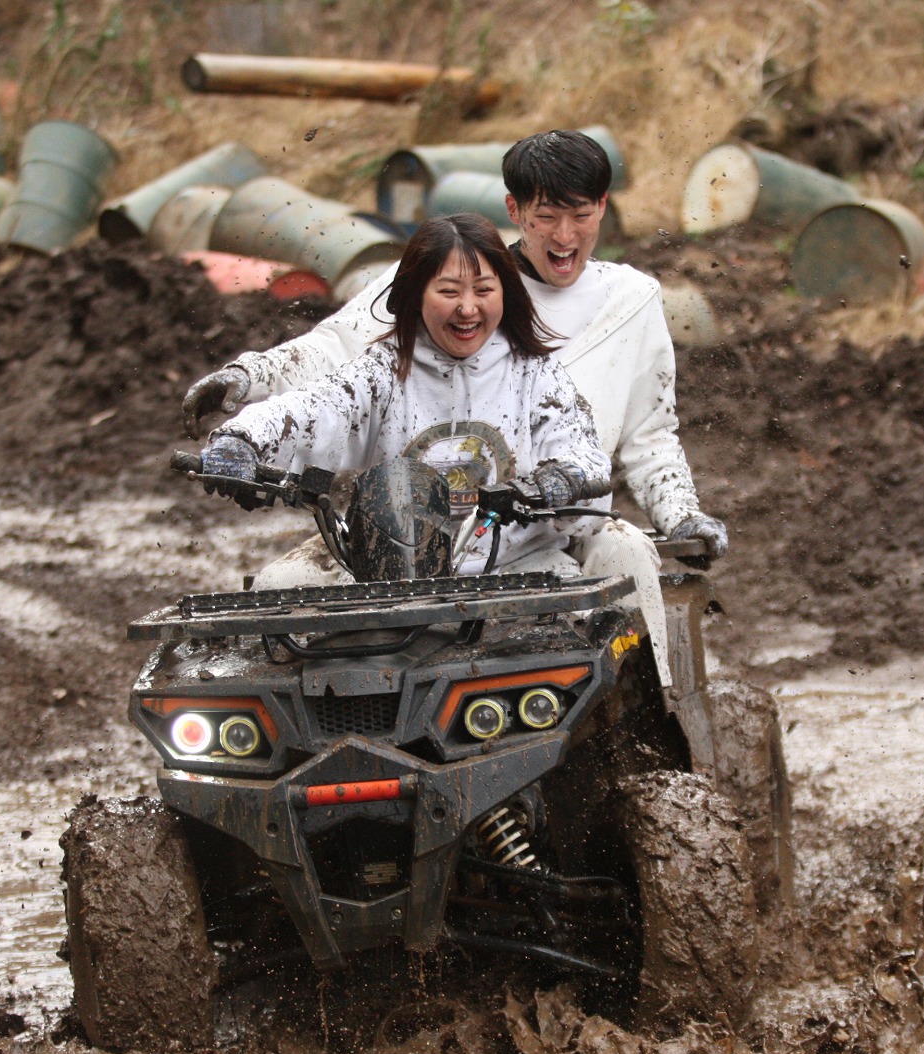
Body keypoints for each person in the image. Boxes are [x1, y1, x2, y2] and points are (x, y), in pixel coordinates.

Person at [185, 129, 723, 686]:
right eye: (546, 217)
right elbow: (327, 374)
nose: (564, 236)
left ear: (603, 208)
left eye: (580, 215)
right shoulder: (429, 301)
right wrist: (245, 407)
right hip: (400, 531)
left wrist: (676, 511)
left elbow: (647, 433)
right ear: (515, 210)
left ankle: (650, 708)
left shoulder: (564, 349)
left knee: (623, 559)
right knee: (277, 597)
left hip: (541, 529)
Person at [200, 213, 610, 581]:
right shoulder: (383, 371)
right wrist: (242, 439)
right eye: (449, 291)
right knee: (278, 587)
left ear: (505, 292)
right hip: (391, 571)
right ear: (415, 294)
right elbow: (311, 409)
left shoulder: (535, 374)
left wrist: (565, 478)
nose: (468, 308)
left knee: (588, 617)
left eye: (484, 290)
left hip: (520, 563)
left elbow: (587, 456)